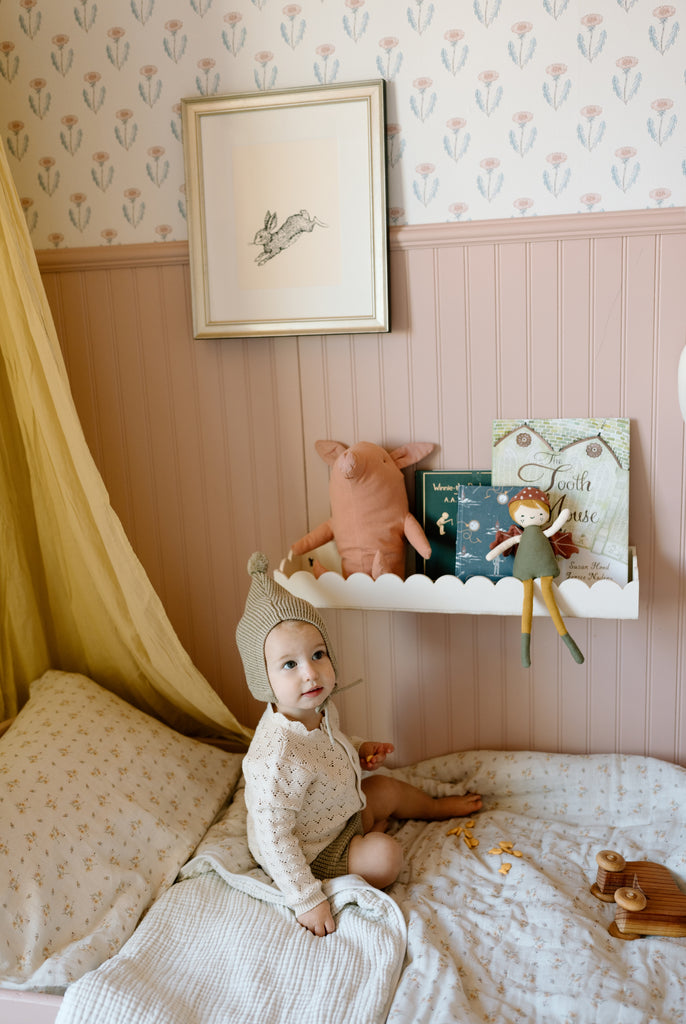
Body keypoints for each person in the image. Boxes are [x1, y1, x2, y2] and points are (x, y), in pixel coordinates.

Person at [235, 552, 482, 937]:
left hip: (341, 812)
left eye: (318, 655)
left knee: (383, 786)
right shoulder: (276, 757)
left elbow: (330, 746)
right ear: (262, 678)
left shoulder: (318, 706)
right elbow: (275, 837)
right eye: (289, 665)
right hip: (310, 850)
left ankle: (433, 806)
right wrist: (307, 900)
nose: (311, 672)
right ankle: (365, 843)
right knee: (386, 856)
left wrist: (360, 749)